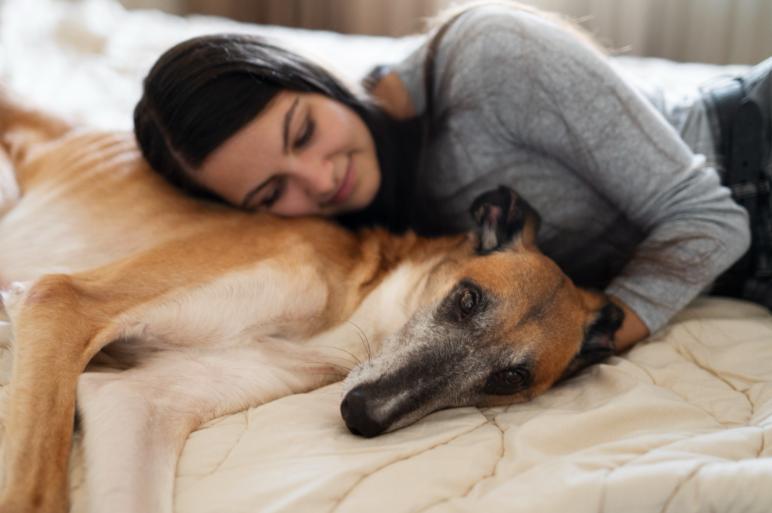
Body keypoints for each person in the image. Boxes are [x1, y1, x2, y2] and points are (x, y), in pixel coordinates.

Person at [133, 2, 771, 354]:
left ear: (312, 78)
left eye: (302, 132)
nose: (319, 179)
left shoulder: (488, 55)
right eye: (273, 193)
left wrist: (583, 344)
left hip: (750, 151)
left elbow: (710, 222)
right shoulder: (373, 224)